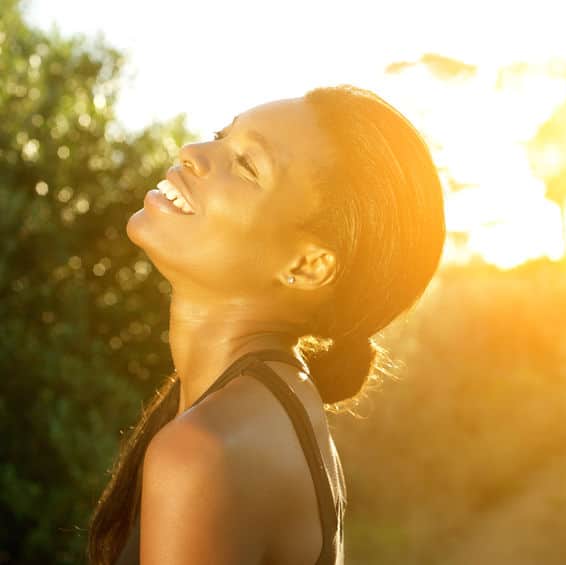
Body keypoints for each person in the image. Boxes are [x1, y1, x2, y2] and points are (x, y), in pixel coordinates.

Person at [85, 84, 447, 565]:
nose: (192, 152)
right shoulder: (272, 411)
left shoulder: (206, 453)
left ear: (307, 266)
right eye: (220, 136)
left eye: (247, 165)